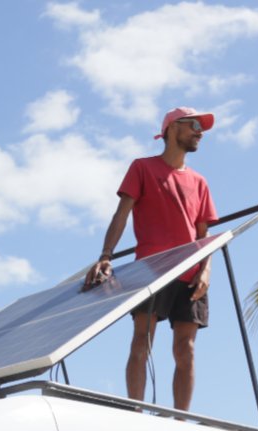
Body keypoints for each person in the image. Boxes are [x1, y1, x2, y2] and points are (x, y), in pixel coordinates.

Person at [84, 107, 217, 411]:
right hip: (151, 270)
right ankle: (135, 413)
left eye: (202, 128)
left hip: (190, 275)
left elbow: (204, 234)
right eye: (194, 125)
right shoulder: (142, 168)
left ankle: (181, 421)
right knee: (141, 342)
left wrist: (206, 270)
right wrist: (106, 255)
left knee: (187, 351)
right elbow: (121, 214)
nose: (200, 132)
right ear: (172, 128)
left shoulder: (200, 182)